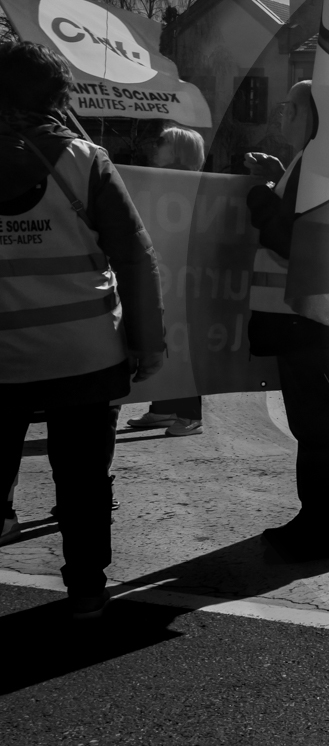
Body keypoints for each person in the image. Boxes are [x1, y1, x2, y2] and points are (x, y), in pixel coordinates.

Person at [0, 40, 164, 617]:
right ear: (56, 96)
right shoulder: (85, 160)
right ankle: (88, 593)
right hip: (84, 355)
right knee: (84, 479)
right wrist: (147, 343)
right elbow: (137, 259)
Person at [245, 81, 329, 562]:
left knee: (315, 425)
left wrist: (260, 200)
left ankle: (321, 528)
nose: (281, 113)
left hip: (301, 317)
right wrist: (272, 183)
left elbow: (293, 240)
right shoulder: (310, 160)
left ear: (313, 114)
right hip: (303, 316)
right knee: (314, 423)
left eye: (291, 106)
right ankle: (318, 520)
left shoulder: (317, 163)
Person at [127, 125, 207, 436]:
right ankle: (163, 408)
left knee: (180, 343)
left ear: (176, 150)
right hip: (166, 272)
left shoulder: (183, 183)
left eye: (162, 142)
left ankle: (188, 414)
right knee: (166, 338)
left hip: (181, 275)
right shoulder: (162, 181)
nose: (155, 146)